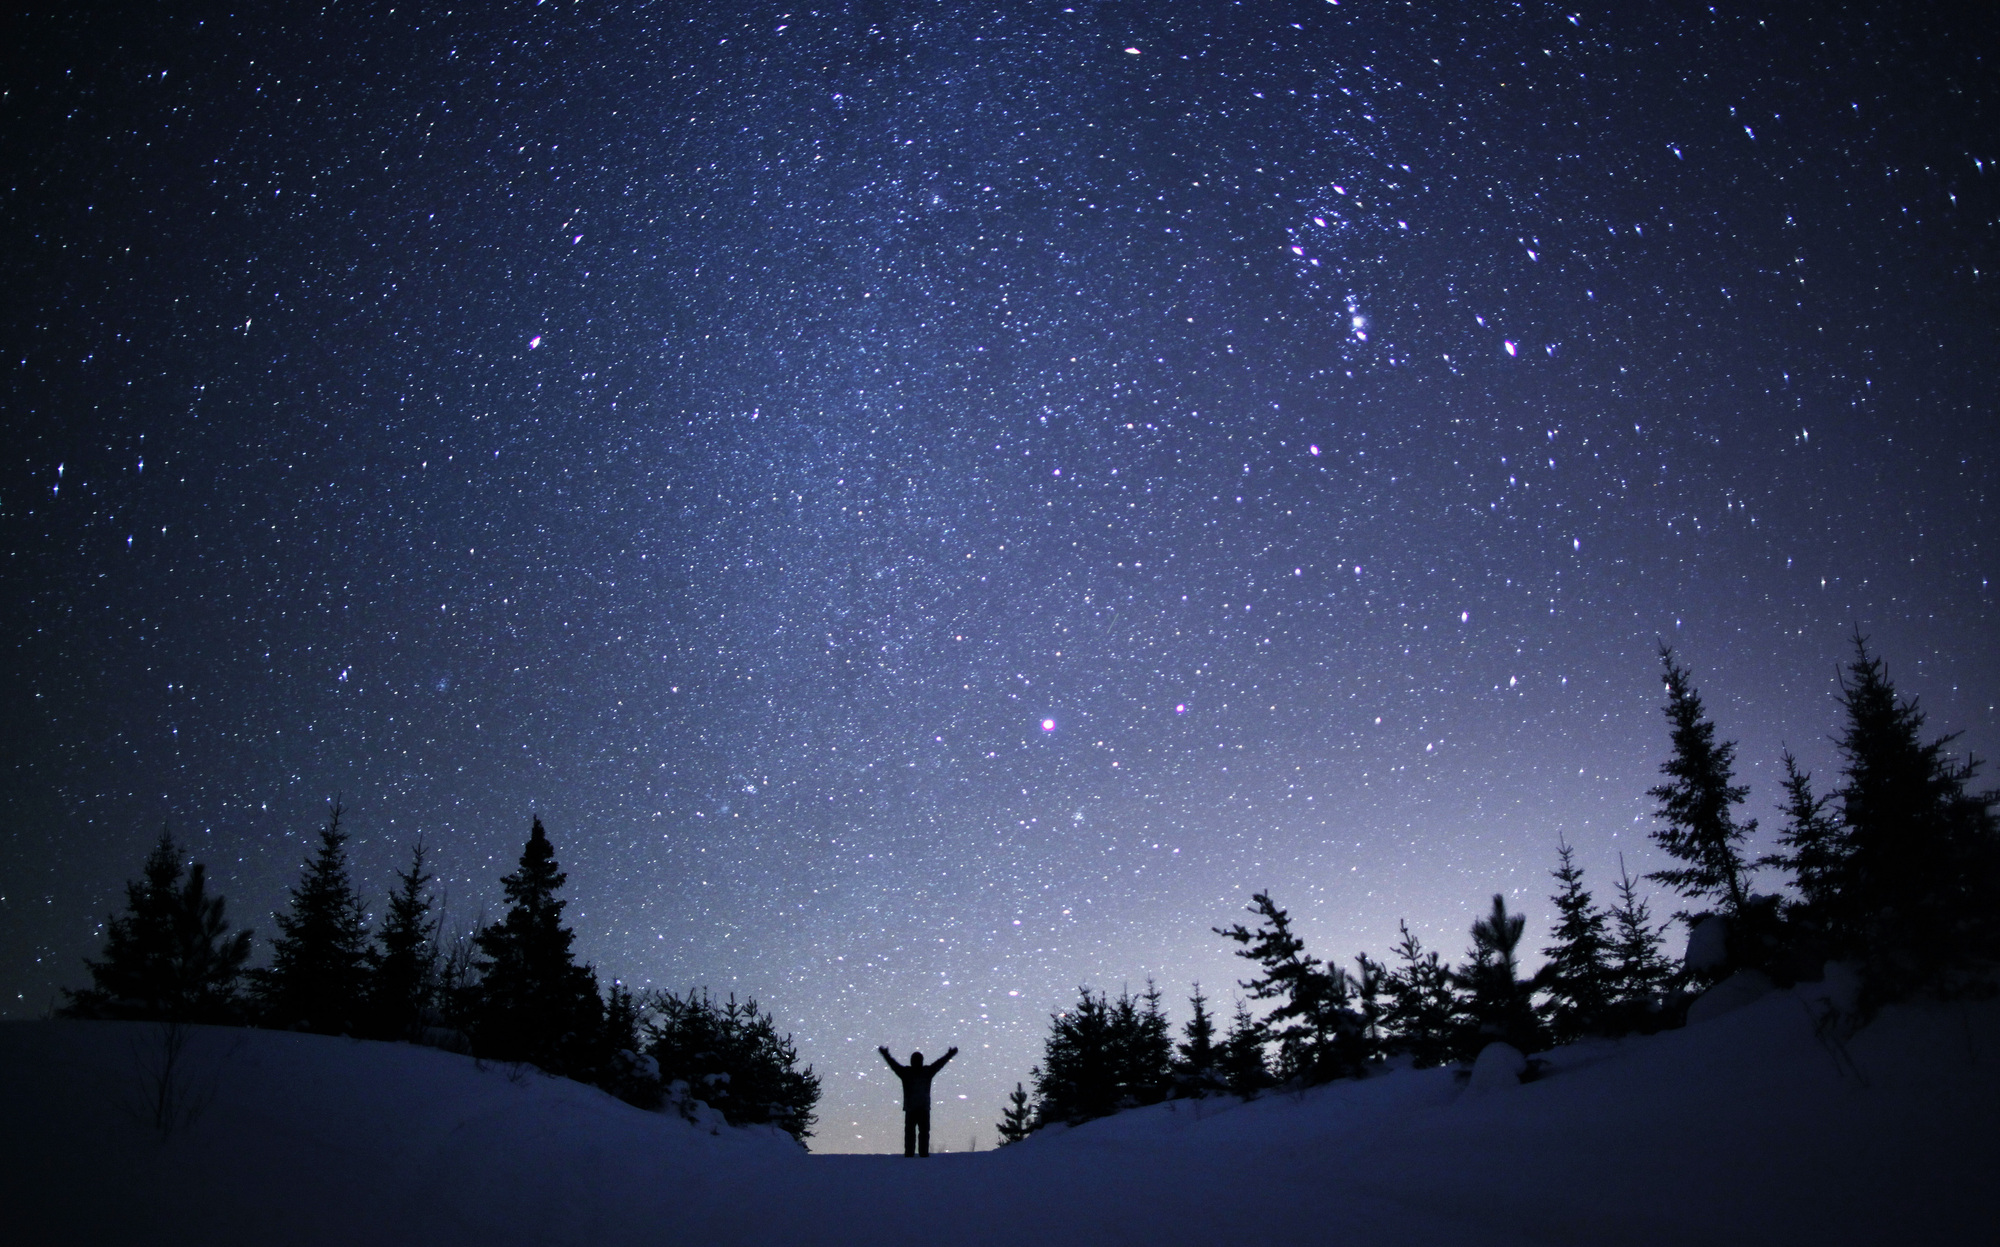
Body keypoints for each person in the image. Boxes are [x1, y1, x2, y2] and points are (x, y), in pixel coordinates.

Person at [878, 1044, 957, 1157]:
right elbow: (939, 1063)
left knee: (916, 1133)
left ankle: (915, 1154)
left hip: (915, 1108)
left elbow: (893, 1065)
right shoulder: (921, 1072)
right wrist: (950, 1054)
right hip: (918, 1108)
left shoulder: (912, 1072)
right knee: (919, 1133)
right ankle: (919, 1154)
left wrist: (886, 1054)